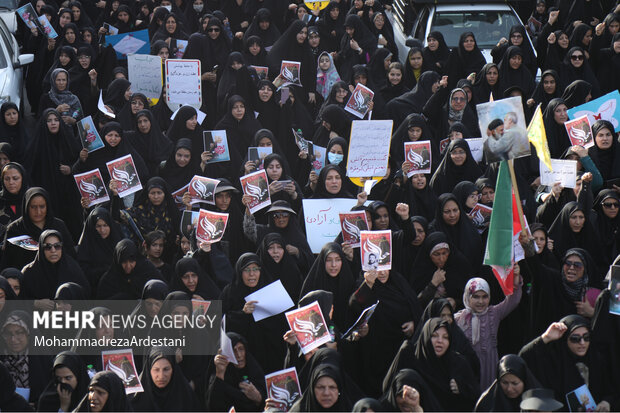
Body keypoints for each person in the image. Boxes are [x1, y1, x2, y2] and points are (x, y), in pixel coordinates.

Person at [519, 315, 617, 410]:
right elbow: (523, 358)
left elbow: (611, 389)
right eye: (575, 339)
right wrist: (546, 337)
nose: (582, 343)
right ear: (564, 339)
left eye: (586, 337)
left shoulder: (597, 359)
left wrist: (606, 401)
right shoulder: (554, 362)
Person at [455, 276, 523, 389]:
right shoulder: (458, 319)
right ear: (467, 297)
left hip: (489, 365)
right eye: (476, 297)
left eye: (484, 296)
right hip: (468, 367)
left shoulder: (493, 313)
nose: (481, 301)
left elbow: (513, 300)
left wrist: (515, 279)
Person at [21, 229, 90, 301]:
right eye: (48, 246)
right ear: (41, 248)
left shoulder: (72, 268)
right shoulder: (29, 271)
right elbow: (20, 298)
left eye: (57, 246)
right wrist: (35, 303)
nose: (53, 250)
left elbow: (84, 295)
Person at [205, 332, 266, 411]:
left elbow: (269, 402)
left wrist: (258, 398)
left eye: (241, 349)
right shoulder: (219, 376)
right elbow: (214, 406)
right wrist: (220, 373)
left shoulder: (253, 370)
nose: (239, 355)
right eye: (233, 351)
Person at [130, 346, 201, 411]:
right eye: (156, 370)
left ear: (173, 369)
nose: (161, 376)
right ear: (149, 371)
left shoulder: (186, 398)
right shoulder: (135, 402)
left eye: (166, 369)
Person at [474, 354, 541, 412]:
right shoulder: (487, 404)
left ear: (525, 381)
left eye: (515, 383)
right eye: (505, 383)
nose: (509, 389)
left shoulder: (539, 402)